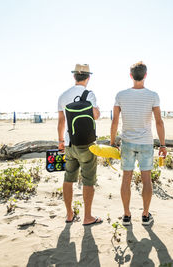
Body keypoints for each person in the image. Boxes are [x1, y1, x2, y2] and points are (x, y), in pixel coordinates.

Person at [110, 61, 167, 226]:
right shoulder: (153, 96)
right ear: (146, 75)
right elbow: (159, 122)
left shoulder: (121, 95)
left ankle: (126, 215)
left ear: (130, 76)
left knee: (126, 180)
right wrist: (162, 145)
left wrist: (112, 142)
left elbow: (114, 122)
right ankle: (145, 215)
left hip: (127, 142)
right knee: (147, 180)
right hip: (145, 143)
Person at [57, 64, 103, 226]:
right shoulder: (89, 94)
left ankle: (69, 214)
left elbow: (61, 121)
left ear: (74, 77)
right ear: (88, 78)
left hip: (69, 143)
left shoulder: (63, 96)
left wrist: (61, 141)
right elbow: (95, 116)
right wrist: (97, 110)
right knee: (88, 180)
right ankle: (87, 216)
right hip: (87, 144)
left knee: (68, 178)